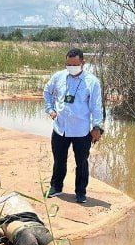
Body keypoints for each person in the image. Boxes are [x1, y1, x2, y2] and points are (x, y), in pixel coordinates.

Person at [43, 48, 103, 203]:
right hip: (60, 128)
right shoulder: (58, 76)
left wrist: (97, 127)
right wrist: (50, 109)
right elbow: (47, 91)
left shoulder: (92, 81)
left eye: (75, 64)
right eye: (68, 64)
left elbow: (96, 106)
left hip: (81, 131)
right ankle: (56, 187)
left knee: (81, 163)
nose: (71, 67)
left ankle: (80, 192)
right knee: (59, 160)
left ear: (83, 63)